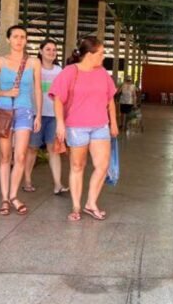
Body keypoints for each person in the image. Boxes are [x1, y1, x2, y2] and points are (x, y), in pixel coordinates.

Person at [50, 37, 119, 221]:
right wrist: (60, 123)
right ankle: (76, 206)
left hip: (100, 126)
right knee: (77, 166)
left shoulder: (102, 73)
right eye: (101, 53)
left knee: (102, 166)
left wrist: (113, 122)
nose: (103, 57)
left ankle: (91, 203)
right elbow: (58, 98)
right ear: (89, 54)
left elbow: (110, 99)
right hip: (76, 127)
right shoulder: (70, 71)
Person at [0, 26, 43, 216]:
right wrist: (6, 92)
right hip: (3, 110)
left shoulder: (33, 62)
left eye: (23, 37)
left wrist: (38, 114)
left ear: (26, 40)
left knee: (20, 156)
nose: (19, 40)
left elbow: (37, 90)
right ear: (8, 39)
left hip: (25, 110)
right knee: (5, 156)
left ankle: (13, 196)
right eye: (15, 36)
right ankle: (4, 198)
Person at [23, 40, 67, 196]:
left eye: (54, 49)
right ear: (40, 51)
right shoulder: (33, 68)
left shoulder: (59, 70)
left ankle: (58, 184)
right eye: (48, 49)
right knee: (32, 148)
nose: (51, 52)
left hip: (54, 115)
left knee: (53, 149)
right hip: (35, 114)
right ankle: (27, 180)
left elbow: (63, 93)